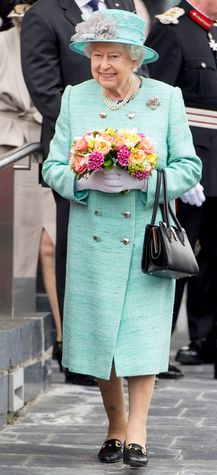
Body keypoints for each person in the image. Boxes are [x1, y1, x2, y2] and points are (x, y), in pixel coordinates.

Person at [42, 8, 201, 466]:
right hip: (93, 234)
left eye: (113, 55)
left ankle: (138, 432)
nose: (103, 65)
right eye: (96, 55)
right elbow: (53, 165)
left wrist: (143, 180)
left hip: (146, 236)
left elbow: (189, 168)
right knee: (100, 338)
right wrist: (83, 181)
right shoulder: (75, 98)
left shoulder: (165, 98)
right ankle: (114, 427)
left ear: (135, 58)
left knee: (141, 336)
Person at [21, 0, 145, 387]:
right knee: (76, 253)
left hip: (134, 152)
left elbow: (141, 69)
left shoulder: (122, 4)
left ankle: (123, 350)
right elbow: (45, 89)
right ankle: (80, 356)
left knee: (129, 252)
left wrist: (133, 136)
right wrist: (100, 139)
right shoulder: (44, 13)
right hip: (79, 152)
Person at [146, 0, 217, 379]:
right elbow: (157, 104)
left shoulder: (209, 28)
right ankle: (152, 351)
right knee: (175, 260)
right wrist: (175, 169)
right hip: (192, 166)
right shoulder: (172, 28)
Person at [0, 1, 62, 371]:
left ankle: (65, 337)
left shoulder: (59, 42)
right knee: (26, 245)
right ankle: (56, 335)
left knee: (54, 243)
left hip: (48, 146)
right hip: (12, 148)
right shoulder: (5, 43)